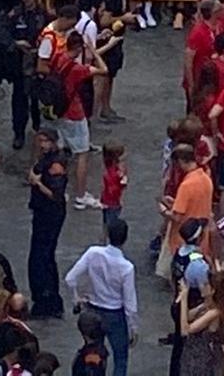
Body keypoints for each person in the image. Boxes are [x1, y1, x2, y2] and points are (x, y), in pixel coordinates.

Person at [66, 218, 137, 376]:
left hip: (94, 310)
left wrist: (77, 299)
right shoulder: (126, 267)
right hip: (115, 314)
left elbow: (70, 278)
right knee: (121, 357)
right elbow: (130, 302)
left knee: (93, 354)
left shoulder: (93, 253)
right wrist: (133, 326)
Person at [26, 126, 70, 317]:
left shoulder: (56, 165)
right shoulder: (46, 159)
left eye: (46, 141)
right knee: (41, 256)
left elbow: (56, 195)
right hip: (42, 212)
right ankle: (46, 299)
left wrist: (37, 183)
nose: (42, 144)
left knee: (42, 256)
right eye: (40, 140)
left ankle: (48, 300)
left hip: (49, 214)